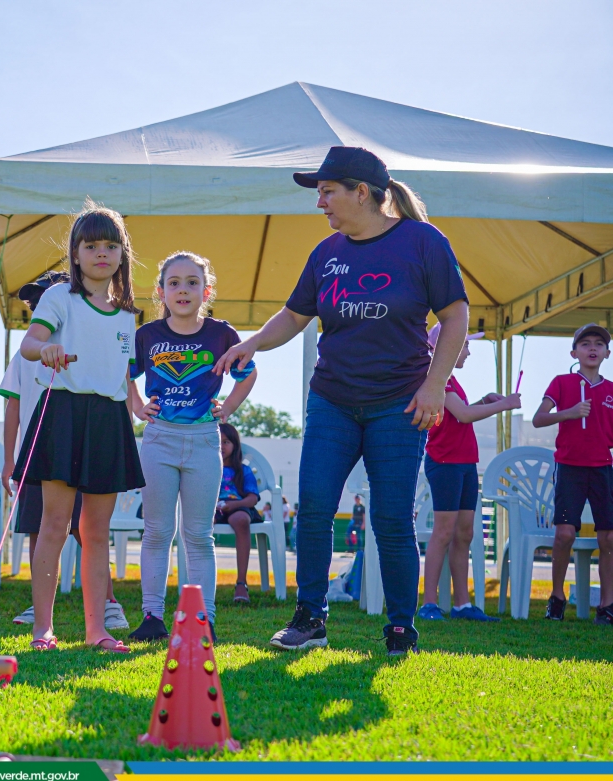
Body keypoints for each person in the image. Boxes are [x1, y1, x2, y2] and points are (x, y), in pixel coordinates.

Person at [216, 146, 470, 656]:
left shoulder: (423, 241)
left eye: (327, 192)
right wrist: (253, 342)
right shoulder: (326, 252)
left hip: (399, 405)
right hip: (332, 400)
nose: (320, 203)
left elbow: (455, 315)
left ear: (362, 193)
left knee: (392, 519)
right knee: (313, 507)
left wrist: (434, 385)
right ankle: (310, 619)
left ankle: (401, 628)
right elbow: (295, 315)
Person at [13, 201, 145, 653]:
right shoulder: (58, 298)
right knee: (54, 523)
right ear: (75, 253)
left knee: (95, 532)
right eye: (91, 246)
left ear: (123, 253)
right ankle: (43, 630)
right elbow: (30, 343)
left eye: (110, 245)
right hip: (64, 414)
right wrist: (45, 349)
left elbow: (123, 376)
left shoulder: (128, 313)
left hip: (109, 421)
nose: (101, 253)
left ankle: (96, 631)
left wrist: (138, 407)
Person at [126, 251, 256, 641]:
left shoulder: (222, 335)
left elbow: (248, 374)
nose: (183, 290)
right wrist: (137, 406)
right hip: (159, 439)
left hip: (203, 441)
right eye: (174, 283)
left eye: (192, 282)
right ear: (161, 292)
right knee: (156, 532)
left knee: (198, 535)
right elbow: (123, 374)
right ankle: (152, 617)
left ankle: (204, 620)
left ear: (207, 291)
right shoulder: (147, 335)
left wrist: (228, 408)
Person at [0, 272, 128, 630]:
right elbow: (12, 407)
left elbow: (117, 382)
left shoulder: (93, 338)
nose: (39, 305)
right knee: (41, 528)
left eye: (47, 297)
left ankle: (108, 603)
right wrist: (9, 460)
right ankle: (40, 607)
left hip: (82, 443)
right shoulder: (24, 355)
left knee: (90, 530)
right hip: (40, 452)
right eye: (35, 301)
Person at [418, 323, 518, 622]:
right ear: (444, 347)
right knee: (444, 532)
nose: (468, 352)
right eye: (464, 345)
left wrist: (484, 401)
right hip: (445, 463)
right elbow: (462, 415)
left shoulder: (451, 381)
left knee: (464, 533)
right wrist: (504, 405)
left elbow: (459, 413)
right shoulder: (438, 380)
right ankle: (429, 603)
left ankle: (462, 605)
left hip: (464, 463)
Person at [530, 323, 613, 624]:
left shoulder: (611, 390)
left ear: (607, 353)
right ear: (574, 352)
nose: (592, 348)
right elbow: (539, 418)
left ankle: (606, 605)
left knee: (609, 537)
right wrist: (570, 412)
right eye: (585, 343)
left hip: (603, 468)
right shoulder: (562, 382)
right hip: (569, 467)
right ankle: (557, 597)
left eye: (599, 344)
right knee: (564, 534)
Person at [217, 423, 264, 606]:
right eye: (217, 441)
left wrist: (234, 505)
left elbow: (252, 499)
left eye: (226, 442)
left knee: (241, 520)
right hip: (212, 508)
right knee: (198, 522)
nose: (221, 446)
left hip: (238, 507)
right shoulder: (207, 468)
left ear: (235, 445)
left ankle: (241, 583)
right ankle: (197, 582)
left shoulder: (243, 470)